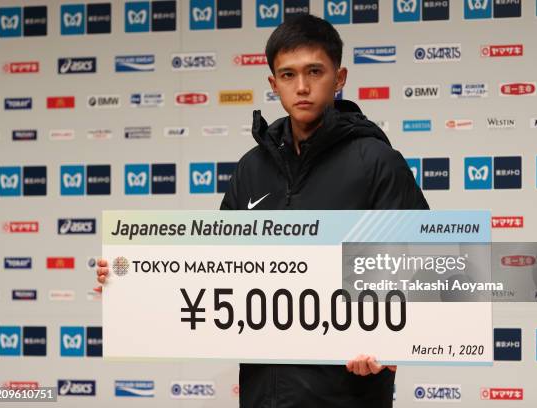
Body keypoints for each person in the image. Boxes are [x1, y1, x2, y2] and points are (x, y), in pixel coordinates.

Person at [97, 13, 428, 407]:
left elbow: (426, 267)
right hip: (262, 397)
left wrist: (392, 343)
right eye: (287, 75)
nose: (301, 87)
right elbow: (213, 269)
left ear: (339, 78)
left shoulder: (376, 161)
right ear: (273, 84)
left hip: (346, 395)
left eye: (314, 71)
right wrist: (133, 281)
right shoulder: (252, 168)